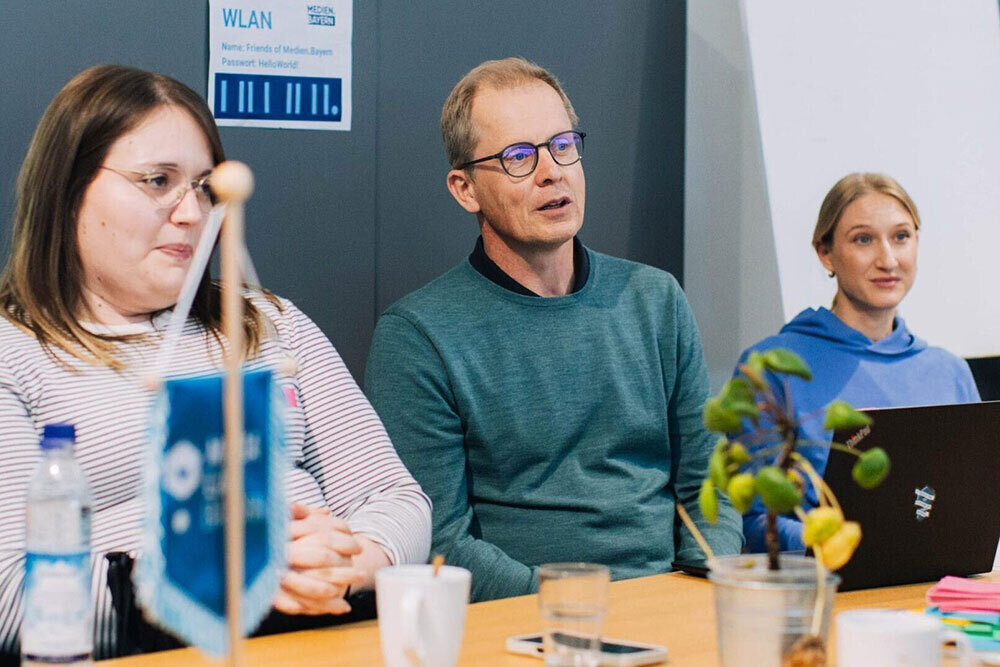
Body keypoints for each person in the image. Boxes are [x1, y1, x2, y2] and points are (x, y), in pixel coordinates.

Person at [0, 65, 431, 657]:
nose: (192, 213)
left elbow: (396, 499)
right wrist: (237, 574)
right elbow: (14, 598)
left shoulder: (268, 321)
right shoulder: (16, 354)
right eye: (157, 181)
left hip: (333, 637)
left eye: (205, 186)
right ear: (68, 187)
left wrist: (348, 565)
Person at [364, 57, 742, 602]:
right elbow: (440, 540)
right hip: (526, 623)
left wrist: (705, 584)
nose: (552, 172)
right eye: (519, 157)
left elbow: (708, 485)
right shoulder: (418, 336)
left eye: (563, 146)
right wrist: (570, 609)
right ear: (465, 188)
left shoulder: (655, 298)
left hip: (672, 600)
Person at [737, 172, 981, 553]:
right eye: (863, 239)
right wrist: (829, 545)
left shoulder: (949, 372)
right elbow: (749, 521)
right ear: (825, 252)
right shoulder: (773, 366)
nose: (888, 259)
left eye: (901, 237)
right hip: (824, 592)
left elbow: (969, 509)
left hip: (934, 596)